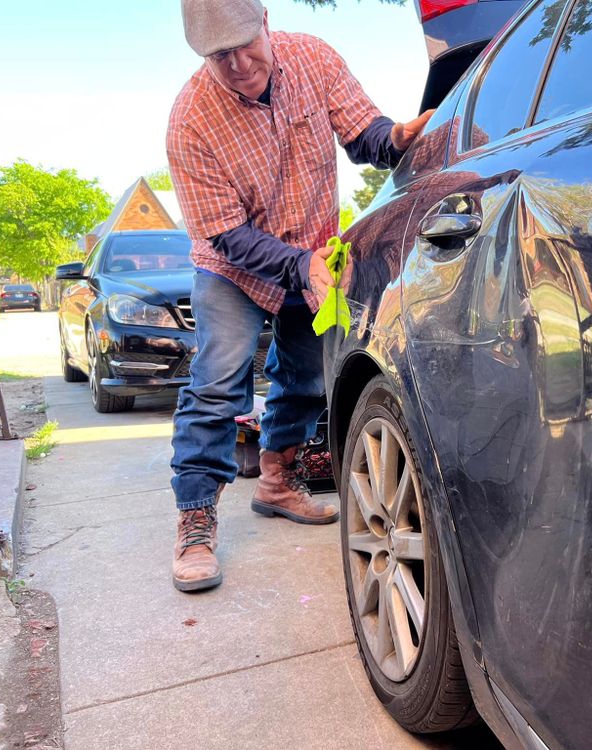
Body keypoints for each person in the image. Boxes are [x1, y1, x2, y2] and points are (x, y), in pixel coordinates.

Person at [167, 0, 433, 592]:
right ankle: (196, 518)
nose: (237, 64)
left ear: (264, 20)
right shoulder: (190, 121)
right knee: (218, 379)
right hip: (234, 269)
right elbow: (226, 235)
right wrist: (297, 266)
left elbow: (366, 137)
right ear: (200, 55)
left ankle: (276, 483)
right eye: (218, 56)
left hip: (313, 250)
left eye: (244, 42)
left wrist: (398, 137)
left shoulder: (313, 58)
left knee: (309, 378)